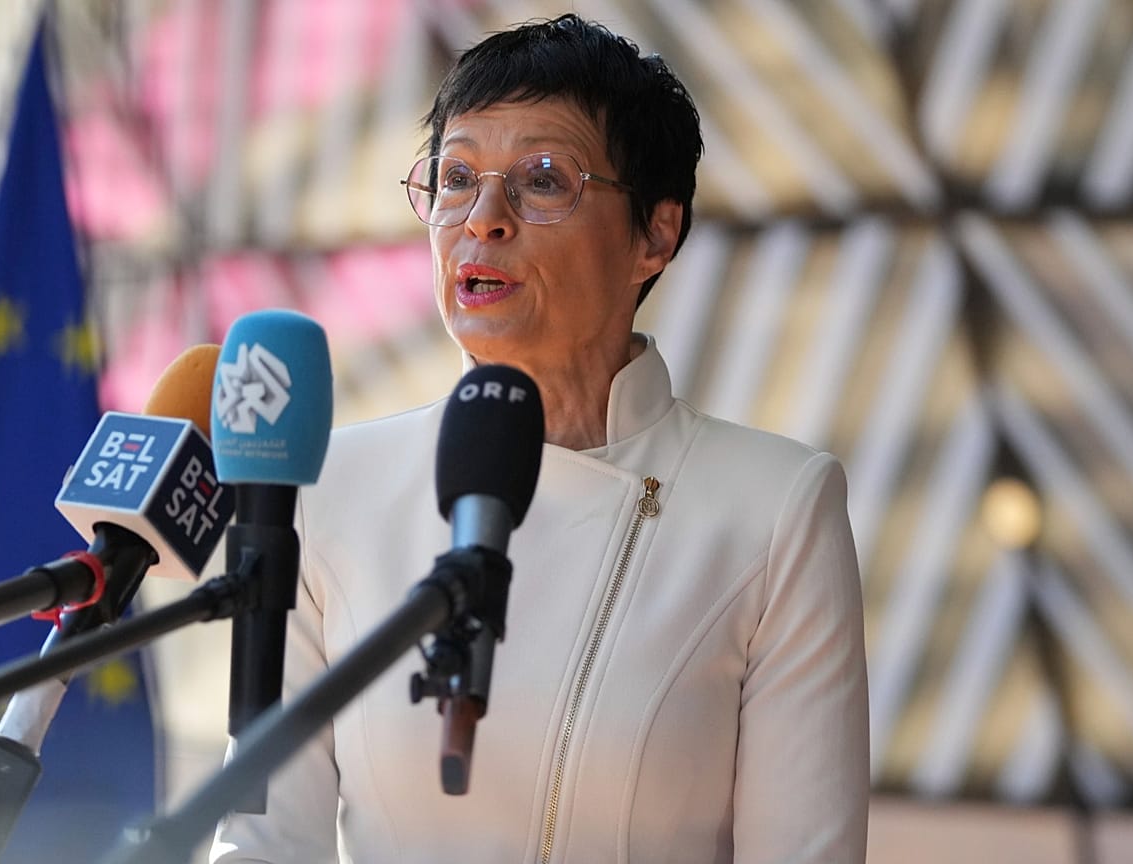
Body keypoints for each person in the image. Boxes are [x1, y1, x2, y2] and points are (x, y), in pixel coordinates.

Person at [212, 14, 868, 863]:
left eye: (544, 179)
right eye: (455, 177)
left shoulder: (774, 507)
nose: (483, 218)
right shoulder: (328, 488)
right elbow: (260, 841)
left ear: (655, 234)